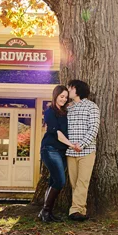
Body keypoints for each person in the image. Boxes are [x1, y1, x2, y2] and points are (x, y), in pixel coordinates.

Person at [38, 85, 79, 222]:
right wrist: (72, 145)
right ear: (55, 95)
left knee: (53, 181)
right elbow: (58, 134)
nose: (64, 99)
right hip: (50, 149)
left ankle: (46, 212)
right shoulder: (50, 111)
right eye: (61, 96)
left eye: (66, 97)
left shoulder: (65, 112)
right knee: (60, 181)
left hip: (61, 151)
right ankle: (45, 211)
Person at [65, 78, 100, 221]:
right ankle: (80, 210)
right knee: (74, 182)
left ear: (77, 90)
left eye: (70, 88)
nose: (68, 91)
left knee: (82, 181)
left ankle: (75, 211)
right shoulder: (68, 108)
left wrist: (82, 144)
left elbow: (94, 128)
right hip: (70, 151)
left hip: (86, 151)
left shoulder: (91, 107)